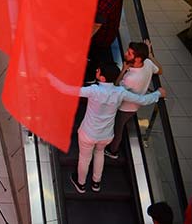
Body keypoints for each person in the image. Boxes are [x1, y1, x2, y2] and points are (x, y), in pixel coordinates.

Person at [47, 63, 164, 194]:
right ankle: (96, 183)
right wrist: (157, 94)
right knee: (99, 154)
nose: (96, 70)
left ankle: (81, 184)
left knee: (84, 158)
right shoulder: (120, 92)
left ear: (102, 78)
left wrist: (48, 75)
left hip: (88, 133)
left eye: (98, 70)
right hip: (106, 135)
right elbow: (141, 100)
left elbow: (66, 89)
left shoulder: (94, 90)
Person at [105, 41, 163, 158]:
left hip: (124, 108)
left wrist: (123, 70)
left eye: (130, 53)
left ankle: (113, 151)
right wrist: (150, 55)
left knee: (118, 129)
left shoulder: (130, 78)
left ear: (138, 59)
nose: (126, 54)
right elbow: (160, 71)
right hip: (134, 107)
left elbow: (115, 87)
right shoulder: (147, 63)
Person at [87, 0, 134, 83]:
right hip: (111, 32)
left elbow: (97, 25)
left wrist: (85, 38)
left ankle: (91, 76)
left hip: (101, 37)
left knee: (95, 54)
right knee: (99, 52)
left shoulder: (103, 3)